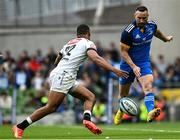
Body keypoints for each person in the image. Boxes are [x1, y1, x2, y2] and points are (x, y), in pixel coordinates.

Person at [12, 24, 128, 138]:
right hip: (64, 75)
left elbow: (58, 56)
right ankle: (20, 126)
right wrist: (114, 70)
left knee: (90, 97)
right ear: (89, 34)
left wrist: (59, 67)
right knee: (51, 107)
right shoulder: (87, 43)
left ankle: (87, 120)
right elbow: (95, 58)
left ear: (77, 34)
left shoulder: (69, 43)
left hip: (64, 75)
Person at [114, 5, 173, 125]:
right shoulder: (128, 32)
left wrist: (165, 39)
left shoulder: (151, 25)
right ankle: (121, 110)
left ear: (148, 17)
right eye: (139, 18)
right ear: (135, 16)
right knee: (123, 94)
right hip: (127, 65)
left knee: (148, 85)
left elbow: (156, 32)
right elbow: (123, 52)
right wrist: (133, 66)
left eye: (144, 18)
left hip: (143, 63)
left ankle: (150, 111)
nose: (142, 20)